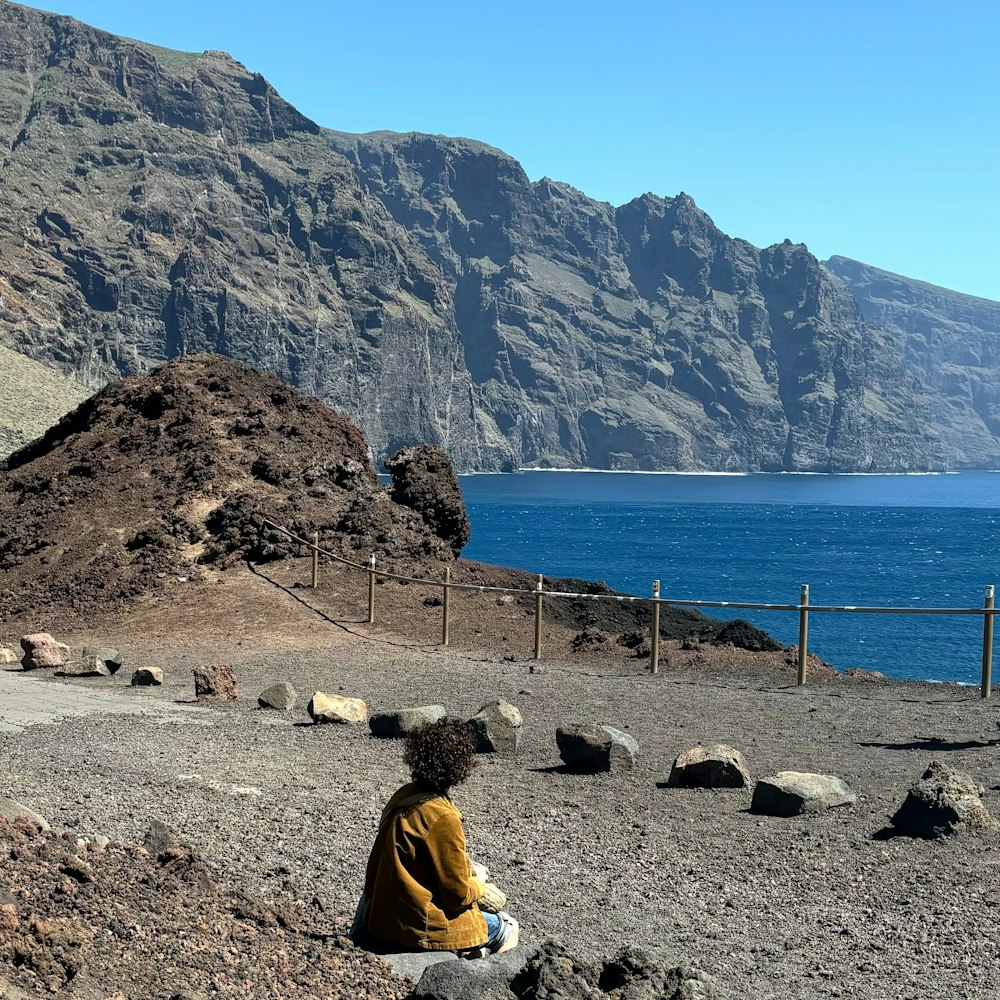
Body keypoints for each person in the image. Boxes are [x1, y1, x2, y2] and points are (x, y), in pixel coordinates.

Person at [357, 719, 518, 956]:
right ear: (460, 766)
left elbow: (418, 857)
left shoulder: (404, 797)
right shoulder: (442, 816)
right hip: (418, 929)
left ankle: (470, 954)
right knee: (508, 926)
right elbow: (457, 895)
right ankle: (477, 972)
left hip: (383, 920)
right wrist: (479, 883)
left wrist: (467, 865)